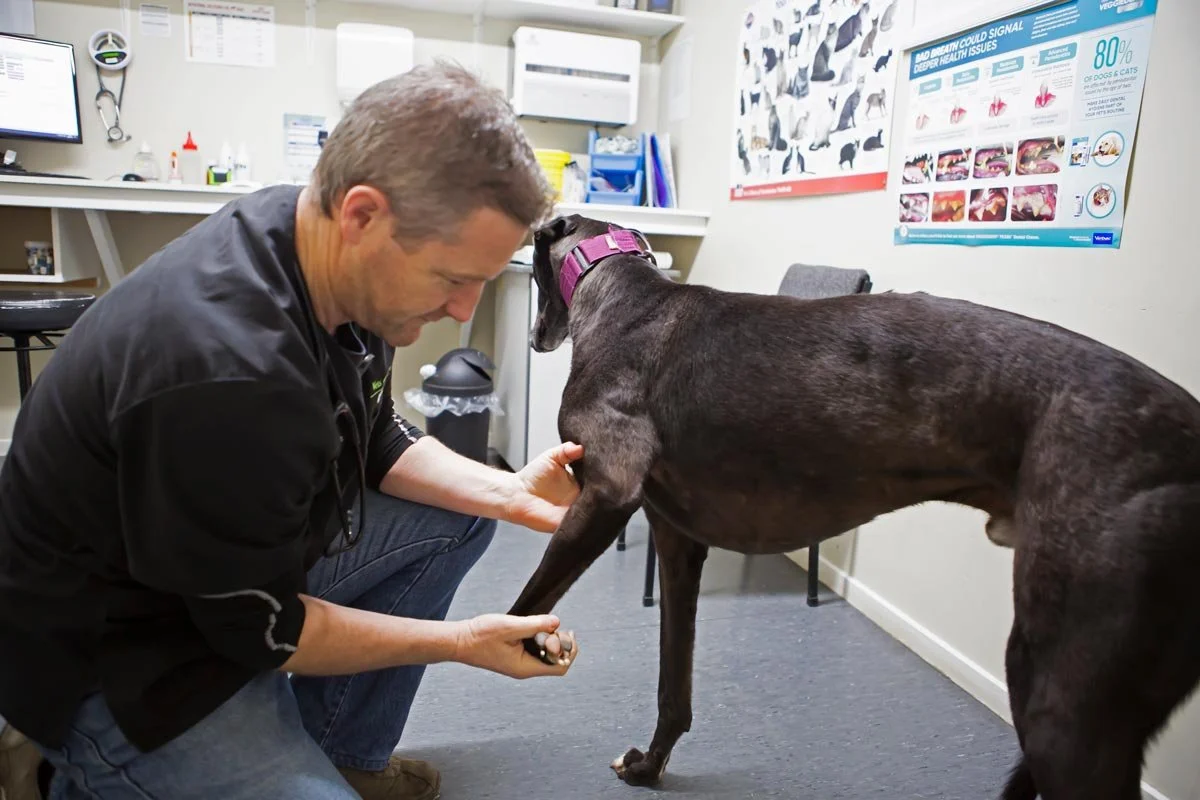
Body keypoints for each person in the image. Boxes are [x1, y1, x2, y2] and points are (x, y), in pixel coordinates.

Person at [0, 61, 584, 800]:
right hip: (116, 652)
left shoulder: (314, 242)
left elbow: (371, 434)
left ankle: (340, 751)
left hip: (212, 577)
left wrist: (506, 491)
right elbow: (267, 635)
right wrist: (463, 643)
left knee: (460, 516)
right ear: (364, 215)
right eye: (449, 279)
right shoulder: (231, 375)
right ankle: (64, 762)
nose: (464, 311)